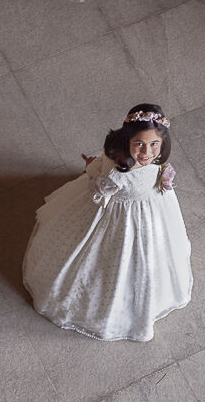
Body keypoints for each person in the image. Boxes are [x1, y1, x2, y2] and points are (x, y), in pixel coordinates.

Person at [22, 103, 193, 342]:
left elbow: (109, 164)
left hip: (151, 209)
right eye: (139, 144)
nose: (147, 153)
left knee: (154, 251)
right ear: (126, 141)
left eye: (154, 144)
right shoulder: (117, 173)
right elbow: (99, 190)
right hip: (120, 218)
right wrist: (96, 180)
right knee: (113, 258)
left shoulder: (153, 161)